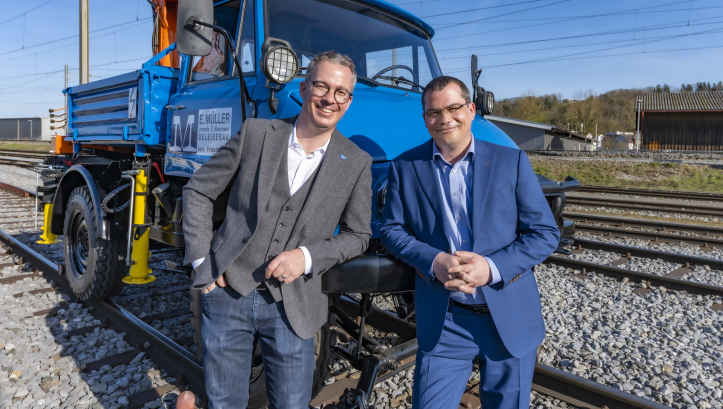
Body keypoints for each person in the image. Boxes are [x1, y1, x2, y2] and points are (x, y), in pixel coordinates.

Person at [182, 51, 372, 409]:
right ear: (304, 88)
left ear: (349, 100)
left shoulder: (357, 162)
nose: (330, 99)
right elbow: (198, 190)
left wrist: (308, 256)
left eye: (341, 92)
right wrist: (200, 262)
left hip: (295, 305)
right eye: (322, 86)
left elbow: (359, 235)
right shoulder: (257, 133)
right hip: (228, 293)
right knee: (224, 404)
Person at [380, 75, 559, 409]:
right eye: (434, 112)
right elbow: (391, 230)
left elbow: (545, 234)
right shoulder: (405, 167)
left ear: (471, 109)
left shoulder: (512, 161)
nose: (445, 119)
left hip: (507, 315)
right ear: (425, 118)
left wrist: (490, 268)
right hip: (445, 319)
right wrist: (433, 261)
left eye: (453, 108)